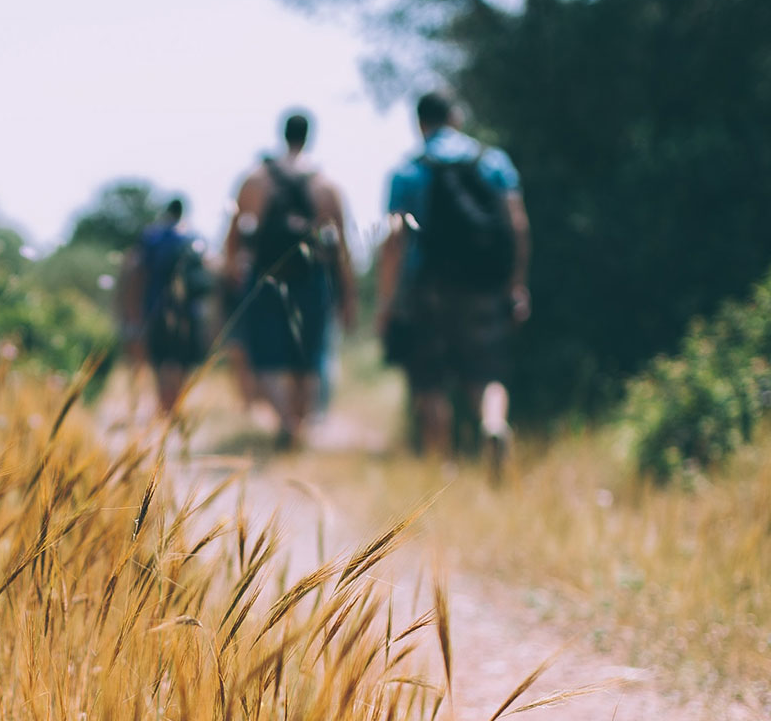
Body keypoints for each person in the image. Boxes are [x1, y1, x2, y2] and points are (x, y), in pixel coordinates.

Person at [375, 90, 531, 472]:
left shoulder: (408, 170)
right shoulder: (492, 162)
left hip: (427, 287)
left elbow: (395, 241)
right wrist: (516, 283)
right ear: (456, 117)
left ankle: (441, 467)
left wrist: (387, 302)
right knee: (486, 369)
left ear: (419, 122)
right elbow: (518, 225)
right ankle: (493, 424)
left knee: (430, 379)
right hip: (483, 283)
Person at [225, 112, 357, 449]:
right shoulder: (326, 185)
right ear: (309, 136)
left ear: (282, 135)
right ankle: (298, 425)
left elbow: (233, 238)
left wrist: (230, 281)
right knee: (307, 356)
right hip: (312, 279)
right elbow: (341, 248)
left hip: (266, 277)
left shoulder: (255, 180)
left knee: (269, 355)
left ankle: (286, 421)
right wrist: (348, 297)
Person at [123, 197, 211, 416]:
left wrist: (133, 309)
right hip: (188, 311)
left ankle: (164, 405)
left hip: (156, 308)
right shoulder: (193, 236)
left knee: (161, 359)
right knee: (181, 359)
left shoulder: (152, 236)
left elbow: (137, 272)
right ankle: (175, 404)